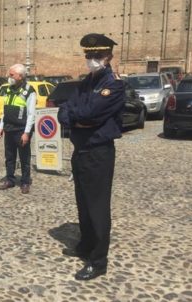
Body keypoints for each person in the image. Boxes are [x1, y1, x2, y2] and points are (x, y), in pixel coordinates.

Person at [57, 33, 125, 281]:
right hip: (81, 150)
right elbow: (65, 110)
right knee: (83, 203)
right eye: (88, 55)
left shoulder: (114, 84)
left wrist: (77, 116)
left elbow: (90, 113)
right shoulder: (88, 81)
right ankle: (86, 244)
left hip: (99, 152)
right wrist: (76, 117)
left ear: (108, 56)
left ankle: (98, 261)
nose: (92, 59)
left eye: (97, 56)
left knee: (97, 207)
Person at [0, 64, 37, 194]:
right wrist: (1, 127)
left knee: (24, 158)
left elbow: (31, 114)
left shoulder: (29, 91)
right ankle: (10, 180)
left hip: (21, 129)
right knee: (9, 156)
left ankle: (25, 182)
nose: (9, 76)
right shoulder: (9, 89)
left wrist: (26, 133)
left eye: (12, 74)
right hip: (9, 128)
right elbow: (5, 110)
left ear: (20, 76)